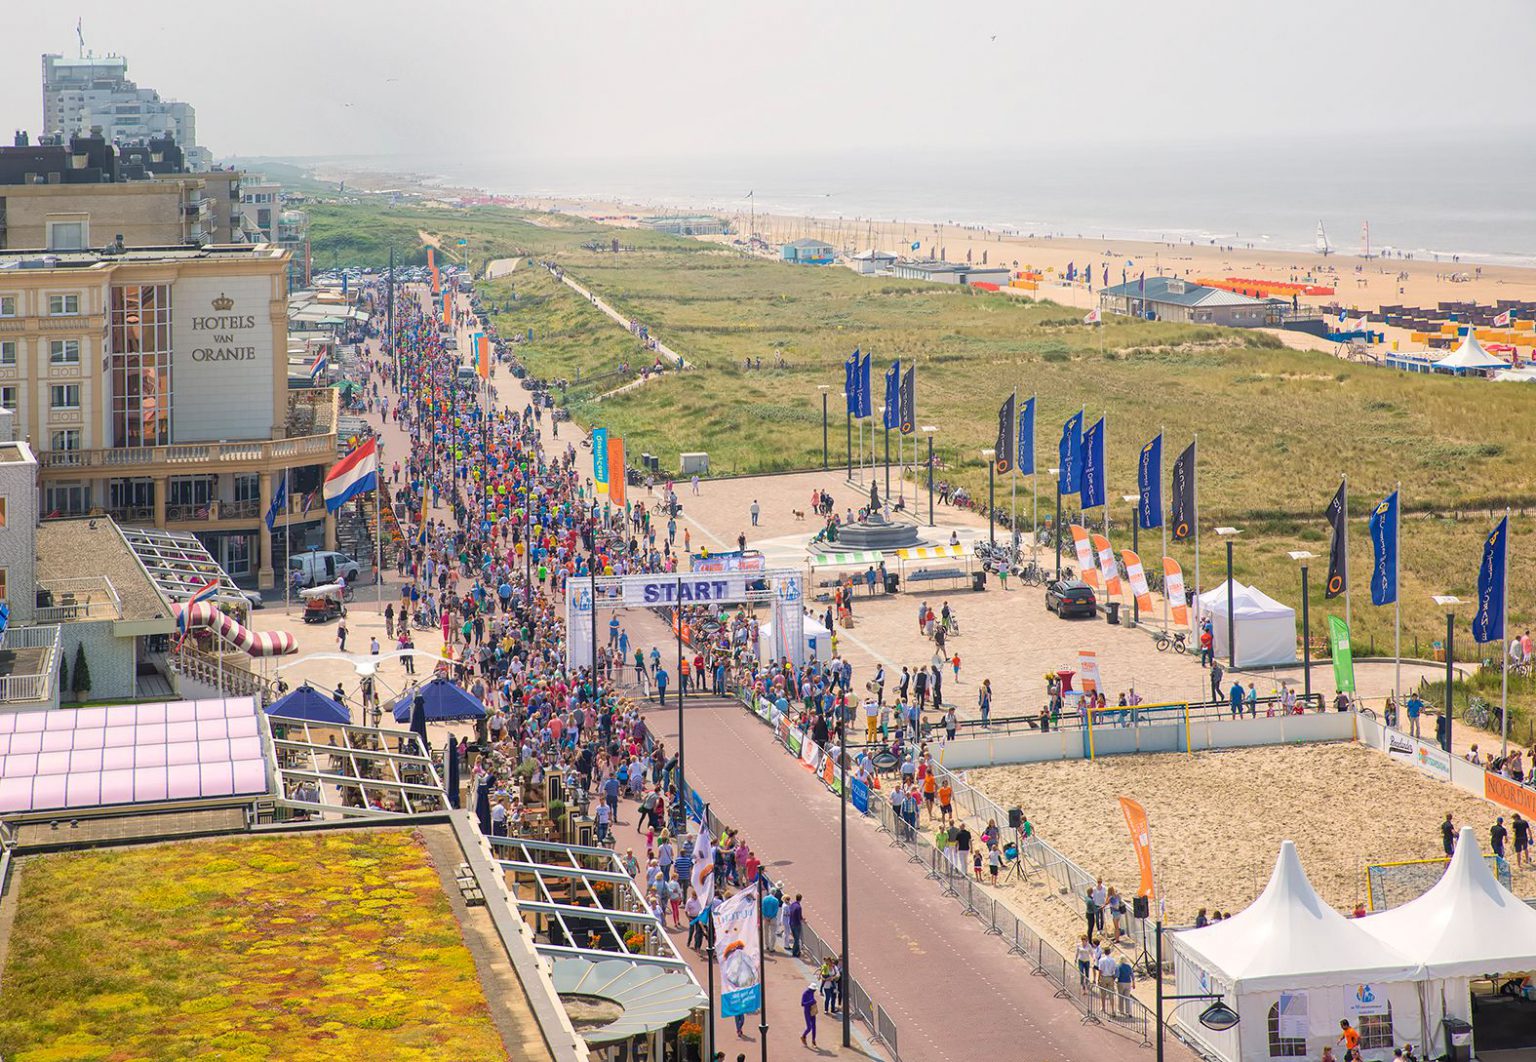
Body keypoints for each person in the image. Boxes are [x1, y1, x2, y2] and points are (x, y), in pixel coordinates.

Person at [800, 983, 818, 1047]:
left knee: (814, 1026)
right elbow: (802, 1004)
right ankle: (803, 1036)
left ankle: (813, 1041)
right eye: (814, 990)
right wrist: (811, 1002)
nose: (814, 991)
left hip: (812, 1011)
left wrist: (813, 1002)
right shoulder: (805, 994)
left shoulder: (812, 993)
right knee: (809, 1027)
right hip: (807, 1011)